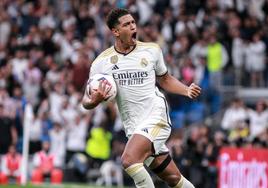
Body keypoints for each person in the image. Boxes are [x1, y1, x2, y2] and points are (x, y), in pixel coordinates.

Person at [82, 8, 201, 188]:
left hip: (156, 118)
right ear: (115, 32)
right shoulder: (101, 63)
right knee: (174, 179)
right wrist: (94, 101)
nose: (132, 27)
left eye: (133, 23)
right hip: (134, 128)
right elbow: (86, 101)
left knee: (129, 160)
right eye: (126, 24)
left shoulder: (151, 51)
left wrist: (186, 90)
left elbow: (165, 79)